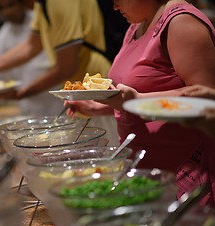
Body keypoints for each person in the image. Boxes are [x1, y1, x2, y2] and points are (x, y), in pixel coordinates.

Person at [65, 0, 215, 206]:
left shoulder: (181, 22)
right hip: (145, 168)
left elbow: (206, 99)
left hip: (184, 169)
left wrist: (136, 100)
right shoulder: (137, 24)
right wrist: (99, 107)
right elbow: (141, 93)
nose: (114, 6)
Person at [0, 0, 120, 145]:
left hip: (93, 88)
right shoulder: (44, 4)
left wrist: (22, 93)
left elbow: (66, 66)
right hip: (79, 93)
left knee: (104, 156)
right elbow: (31, 46)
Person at [0, 0, 63, 116]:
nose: (7, 12)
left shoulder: (42, 19)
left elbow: (64, 65)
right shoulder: (3, 36)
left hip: (55, 97)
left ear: (22, 3)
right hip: (28, 102)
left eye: (11, 5)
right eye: (2, 8)